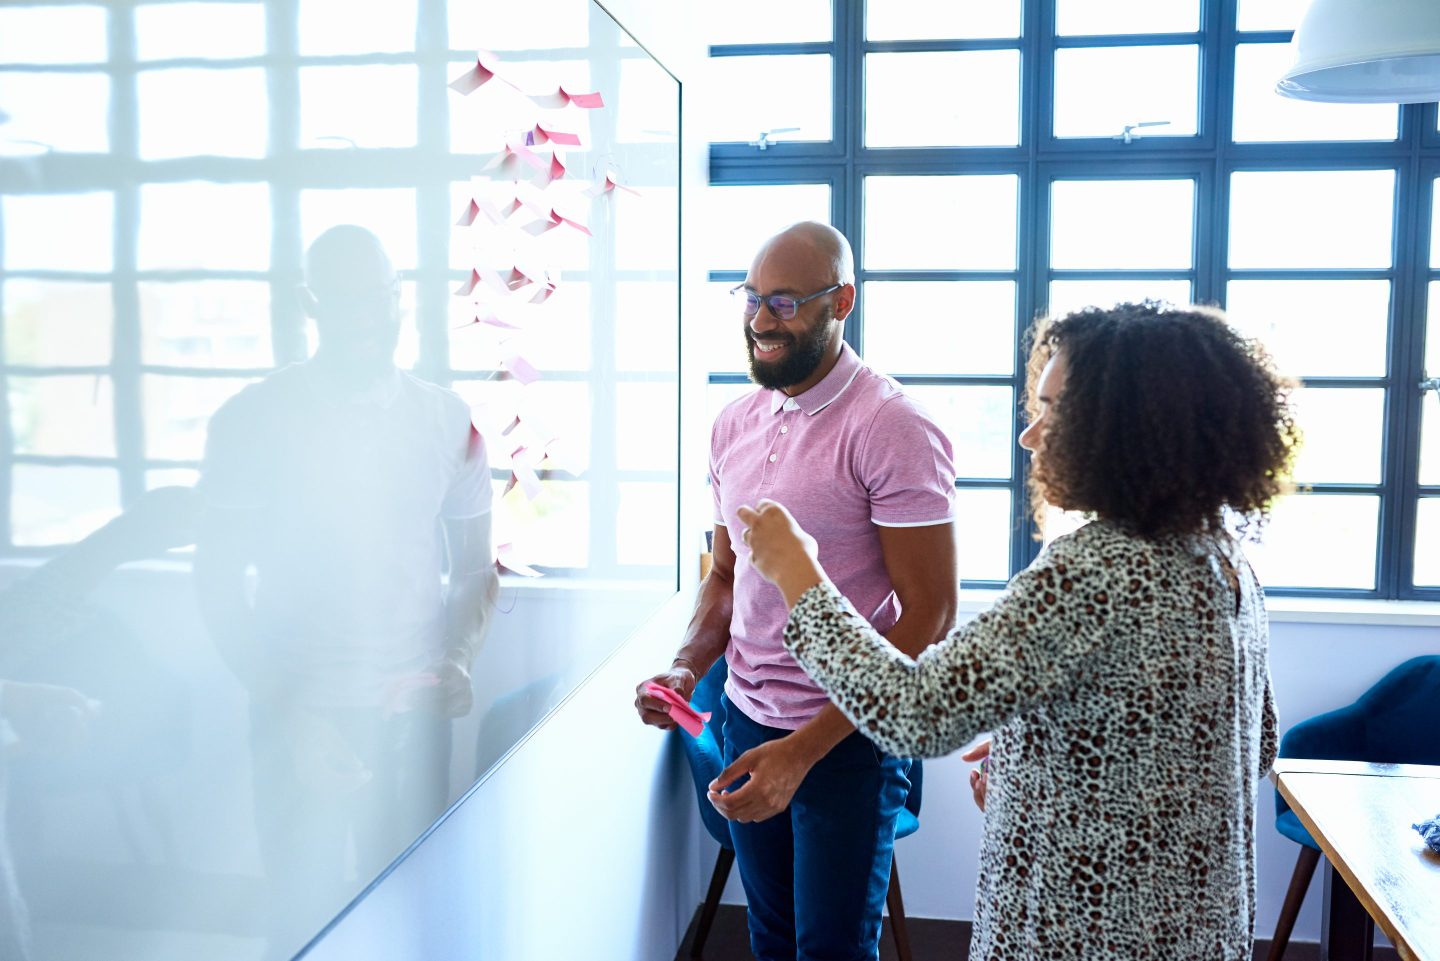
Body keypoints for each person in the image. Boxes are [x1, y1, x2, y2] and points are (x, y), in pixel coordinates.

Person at [737, 300, 1298, 961]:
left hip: (1078, 938)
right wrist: (1036, 769)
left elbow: (915, 715)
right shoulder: (1224, 561)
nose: (1031, 435)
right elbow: (1248, 744)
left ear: (1129, 430)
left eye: (1054, 410)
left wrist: (801, 575)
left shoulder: (1092, 570)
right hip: (1195, 931)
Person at [634, 222, 958, 960]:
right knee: (772, 938)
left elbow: (930, 615)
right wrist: (685, 668)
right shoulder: (732, 423)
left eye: (783, 302)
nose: (758, 320)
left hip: (847, 739)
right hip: (747, 719)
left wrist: (804, 749)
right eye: (750, 298)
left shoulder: (892, 425)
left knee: (832, 949)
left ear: (841, 300)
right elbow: (725, 575)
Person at [194, 225, 498, 960]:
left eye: (382, 298)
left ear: (400, 300)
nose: (368, 316)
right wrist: (290, 710)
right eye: (347, 300)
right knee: (301, 921)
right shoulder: (249, 420)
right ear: (310, 302)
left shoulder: (449, 421)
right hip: (297, 713)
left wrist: (457, 657)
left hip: (415, 710)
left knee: (417, 917)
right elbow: (216, 584)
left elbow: (478, 569)